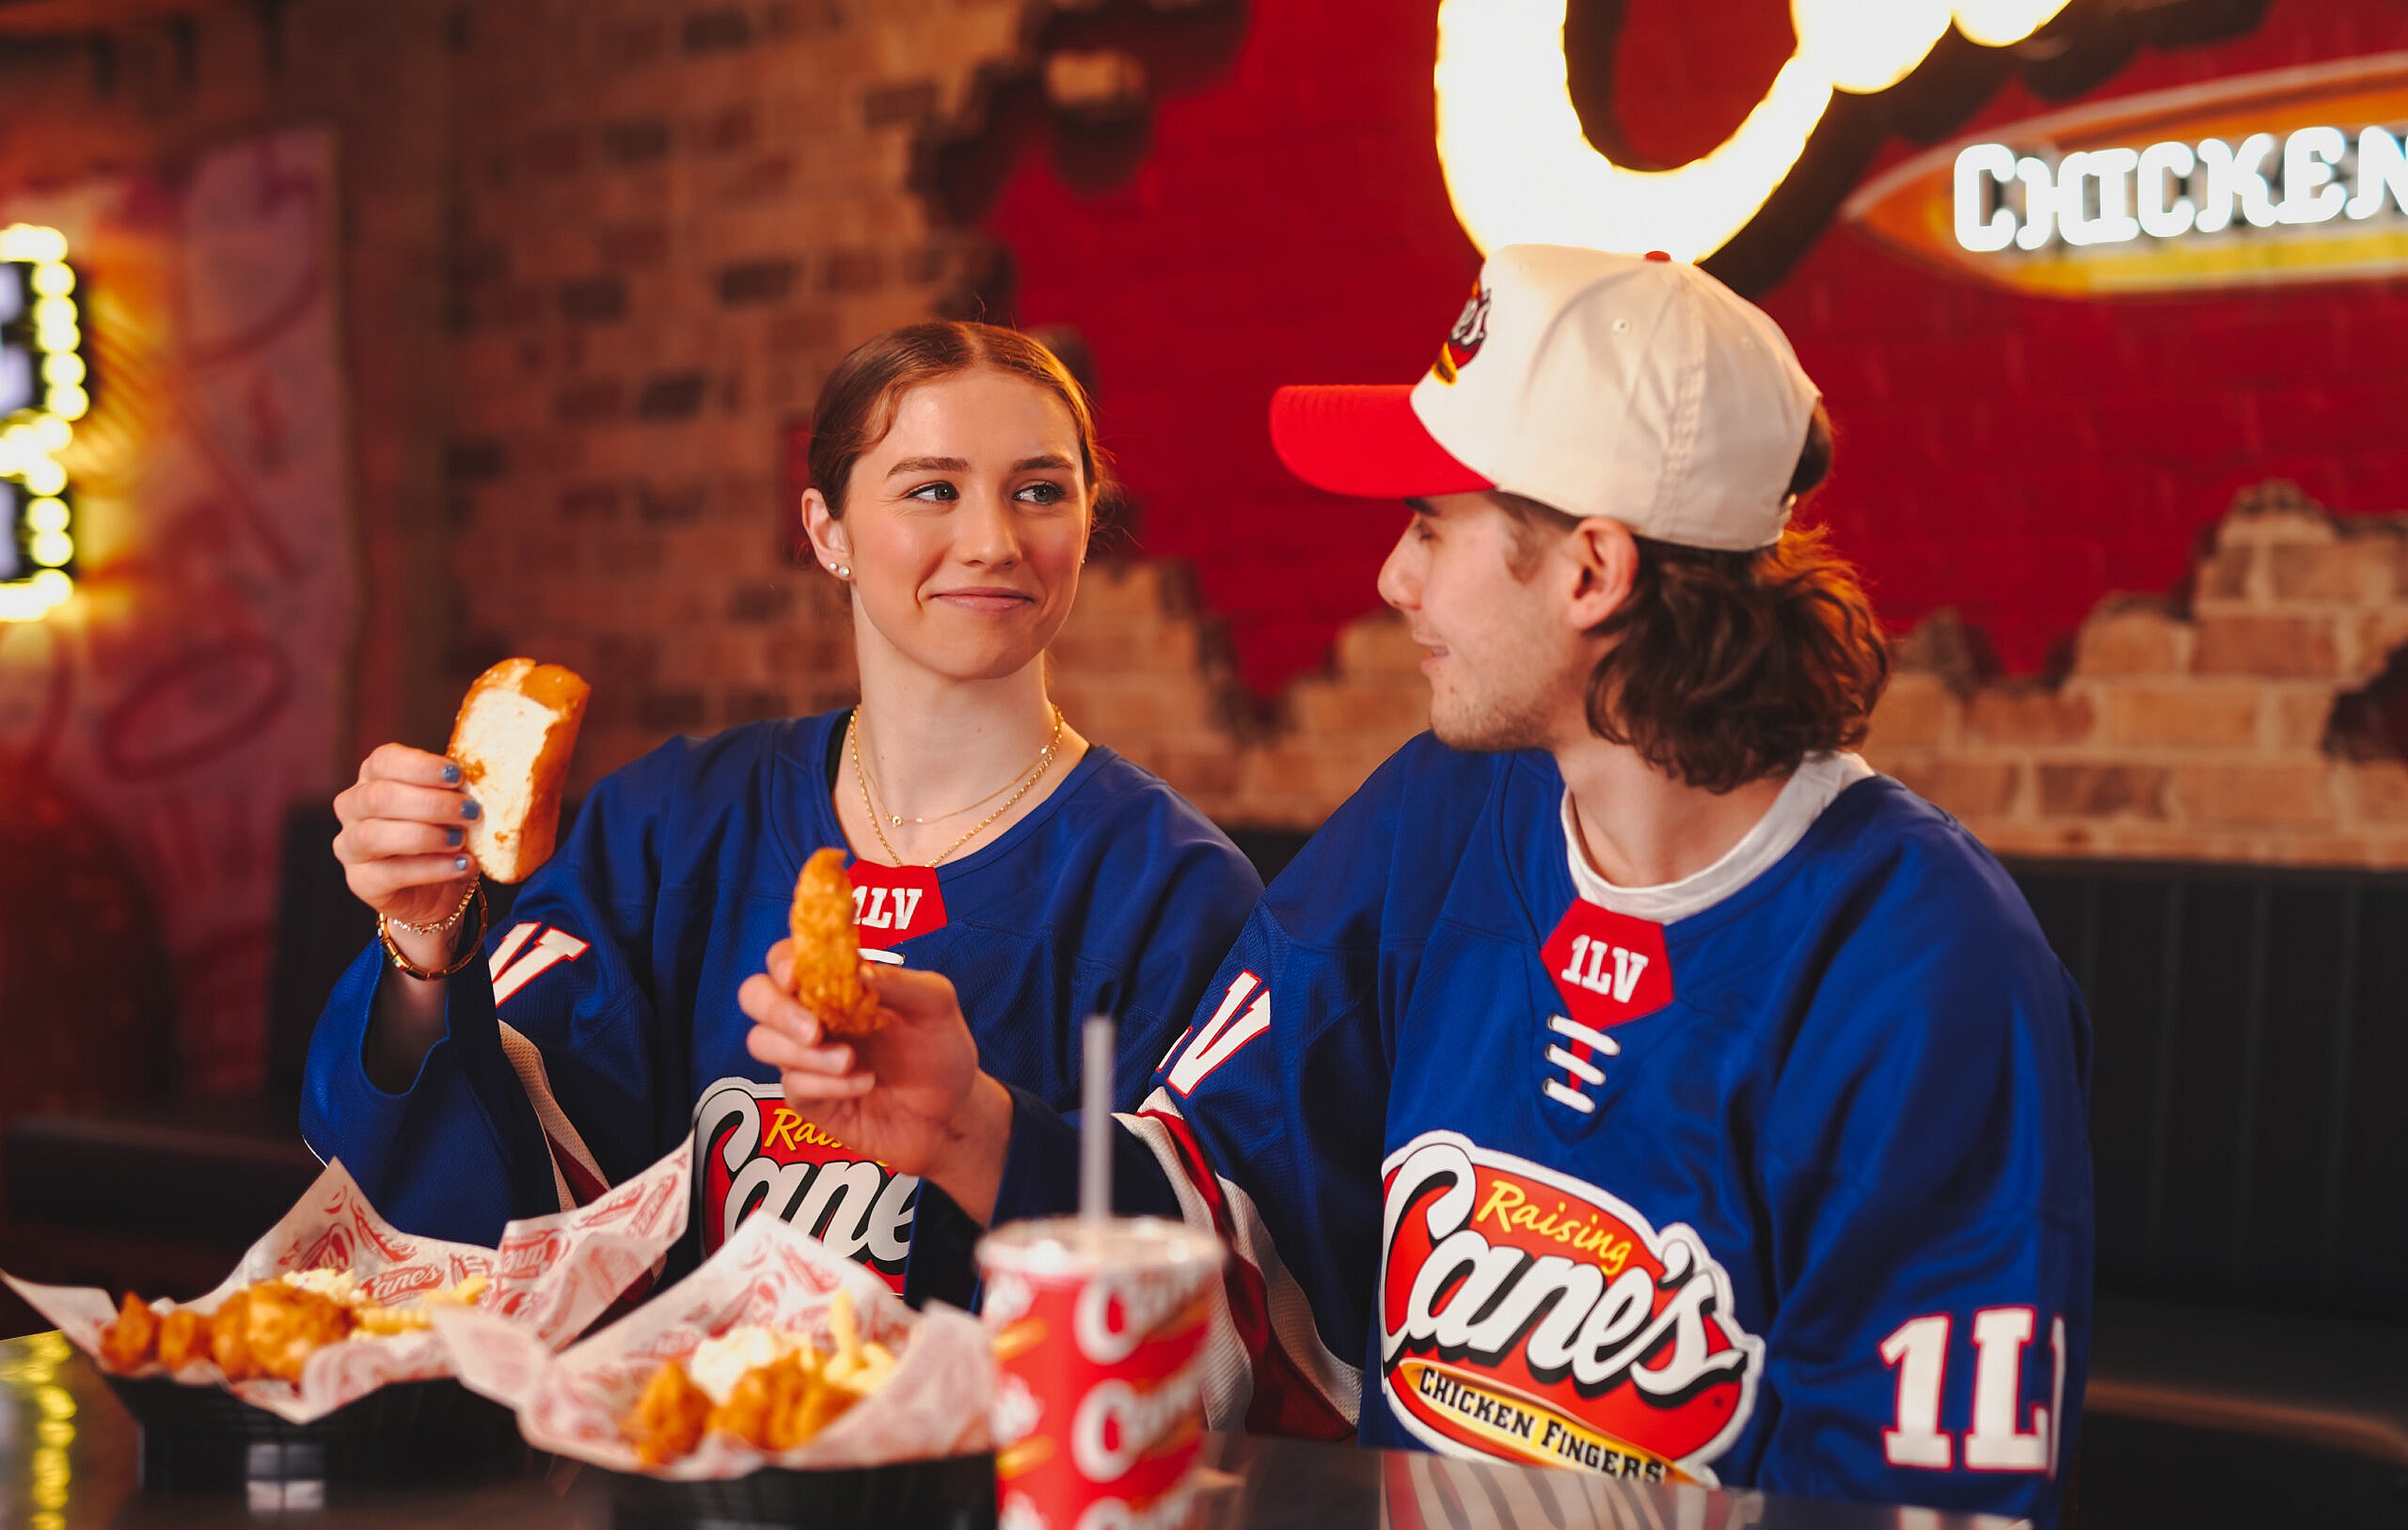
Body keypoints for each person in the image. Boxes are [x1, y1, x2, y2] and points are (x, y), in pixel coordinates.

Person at [744, 248, 2095, 1521]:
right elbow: (1221, 1203)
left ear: (1591, 569)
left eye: (1430, 524)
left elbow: (1921, 1500)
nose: (1392, 577)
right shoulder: (1440, 816)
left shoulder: (1928, 965)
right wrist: (967, 1121)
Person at [302, 322, 1263, 1297]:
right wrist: (424, 944)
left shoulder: (1175, 889)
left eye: (1040, 491)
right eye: (933, 489)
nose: (991, 541)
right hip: (679, 1435)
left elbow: (1217, 1295)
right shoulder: (669, 826)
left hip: (1011, 1447)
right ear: (825, 530)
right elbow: (462, 1211)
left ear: (1089, 520)